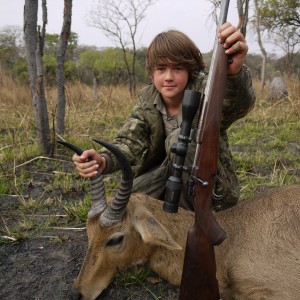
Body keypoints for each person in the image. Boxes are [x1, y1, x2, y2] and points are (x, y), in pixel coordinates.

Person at [72, 22, 256, 211]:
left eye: (177, 68)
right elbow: (129, 142)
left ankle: (192, 218)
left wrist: (234, 74)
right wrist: (103, 160)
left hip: (211, 191)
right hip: (164, 177)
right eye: (161, 69)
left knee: (179, 140)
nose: (168, 77)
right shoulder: (148, 101)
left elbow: (238, 105)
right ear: (152, 73)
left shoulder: (208, 92)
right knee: (125, 206)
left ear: (190, 70)